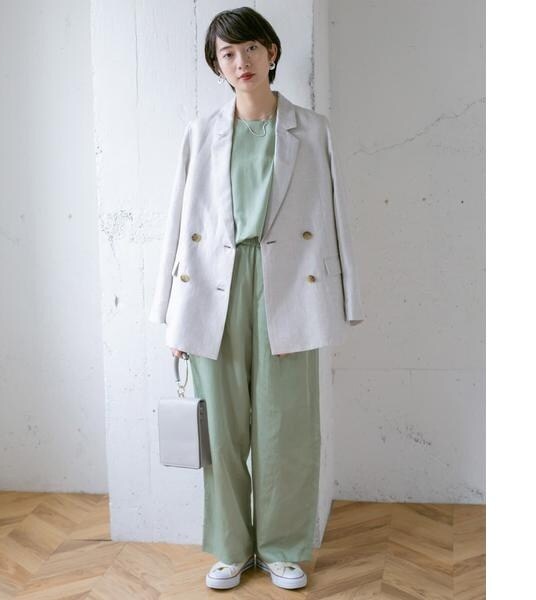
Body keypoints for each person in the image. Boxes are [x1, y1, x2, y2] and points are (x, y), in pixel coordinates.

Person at [151, 6, 365, 591]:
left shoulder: (311, 129)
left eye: (249, 48)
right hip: (212, 290)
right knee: (221, 430)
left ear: (271, 51)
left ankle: (282, 548)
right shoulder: (201, 132)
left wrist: (347, 300)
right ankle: (231, 548)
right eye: (227, 53)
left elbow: (337, 218)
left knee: (286, 426)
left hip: (289, 286)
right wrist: (171, 315)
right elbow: (179, 223)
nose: (240, 61)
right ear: (216, 66)